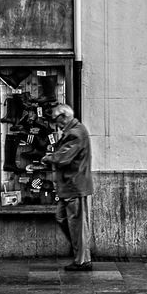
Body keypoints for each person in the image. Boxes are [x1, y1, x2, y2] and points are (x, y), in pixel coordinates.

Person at [42, 102, 93, 271]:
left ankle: (82, 260)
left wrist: (49, 158)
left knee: (76, 224)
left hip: (75, 185)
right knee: (63, 218)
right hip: (69, 186)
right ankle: (80, 252)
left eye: (57, 120)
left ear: (64, 117)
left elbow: (64, 157)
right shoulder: (72, 131)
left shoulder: (76, 133)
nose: (56, 124)